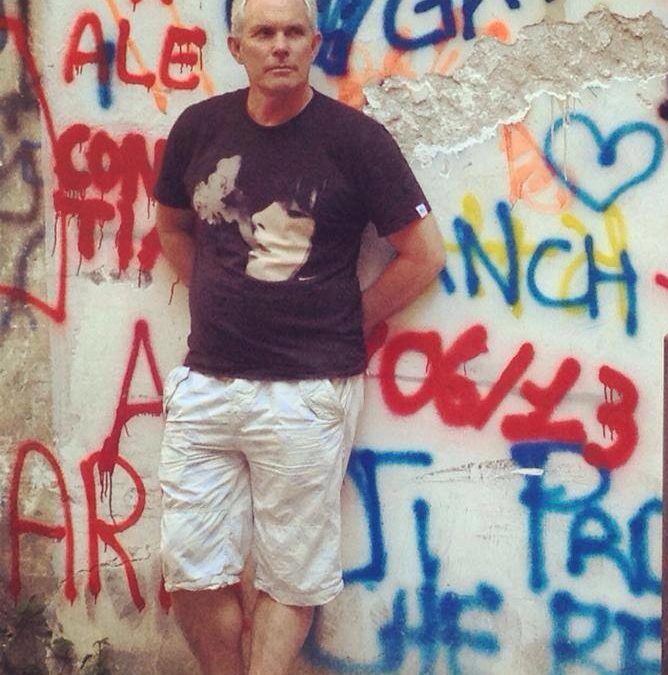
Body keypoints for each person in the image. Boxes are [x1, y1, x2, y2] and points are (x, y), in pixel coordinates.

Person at [152, 0, 446, 672]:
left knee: (291, 576)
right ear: (236, 47)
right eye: (263, 33)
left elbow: (423, 255)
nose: (279, 46)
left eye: (292, 33)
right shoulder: (199, 128)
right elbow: (170, 225)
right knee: (190, 569)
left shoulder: (356, 141)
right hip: (207, 384)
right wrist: (212, 297)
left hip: (307, 394)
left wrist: (346, 319)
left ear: (315, 44)